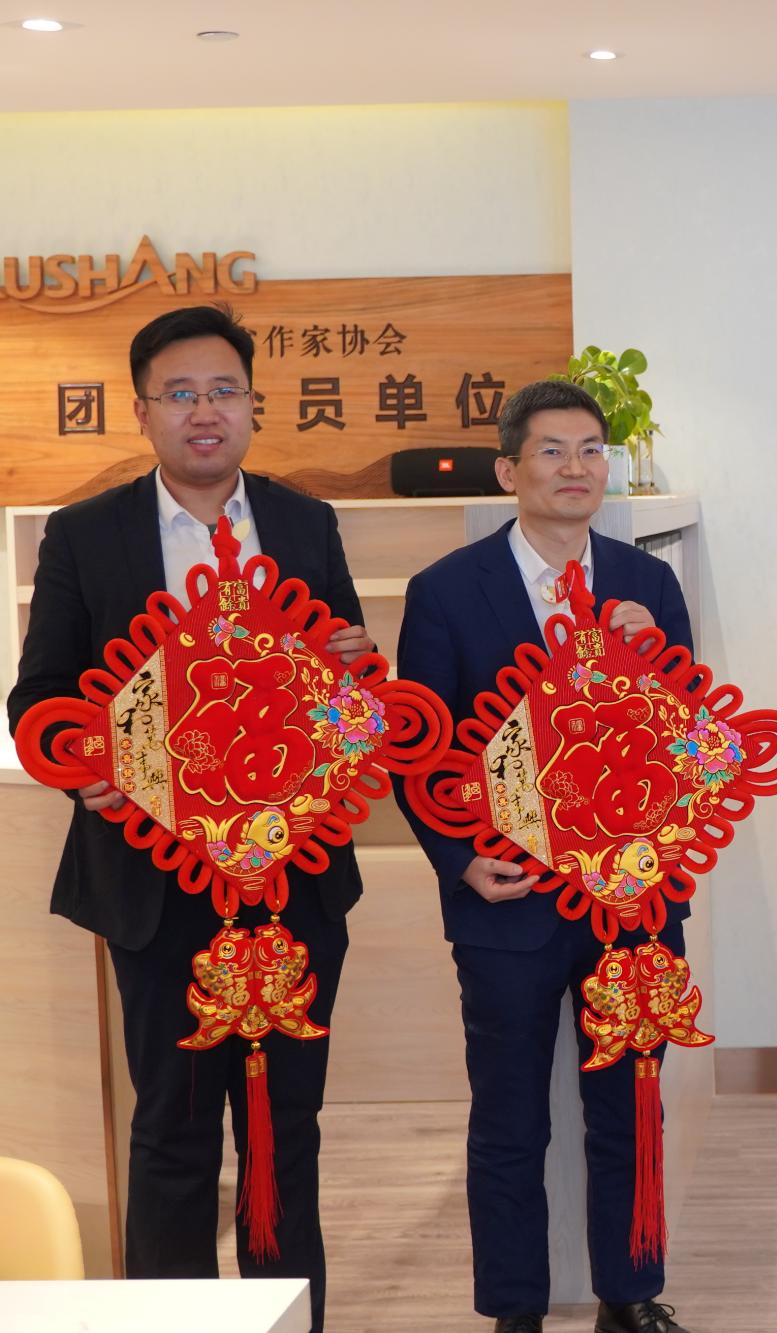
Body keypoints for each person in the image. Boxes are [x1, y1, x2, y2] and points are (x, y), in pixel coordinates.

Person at [6, 304, 374, 1333]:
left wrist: (354, 673)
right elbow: (39, 700)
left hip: (294, 879)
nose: (203, 411)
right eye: (179, 393)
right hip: (155, 884)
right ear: (142, 412)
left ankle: (286, 1320)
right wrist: (84, 770)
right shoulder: (87, 535)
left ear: (253, 405)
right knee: (171, 1130)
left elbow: (350, 697)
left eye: (222, 391)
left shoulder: (305, 524)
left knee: (285, 1128)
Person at [394, 380, 692, 1333]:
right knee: (510, 1116)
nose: (576, 468)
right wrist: (457, 858)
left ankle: (630, 1295)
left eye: (592, 450)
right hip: (508, 892)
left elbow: (688, 744)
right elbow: (416, 748)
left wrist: (657, 667)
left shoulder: (648, 585)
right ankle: (515, 1308)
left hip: (633, 900)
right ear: (508, 471)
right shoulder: (447, 589)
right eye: (553, 451)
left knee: (630, 1107)